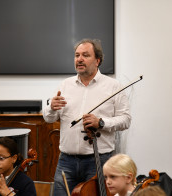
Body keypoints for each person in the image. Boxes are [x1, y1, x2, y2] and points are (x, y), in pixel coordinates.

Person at [43, 38, 131, 195]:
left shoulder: (113, 86)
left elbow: (125, 120)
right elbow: (49, 118)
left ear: (97, 60)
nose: (79, 59)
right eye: (77, 55)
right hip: (66, 160)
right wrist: (51, 108)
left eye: (85, 55)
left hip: (98, 160)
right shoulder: (65, 85)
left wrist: (101, 122)